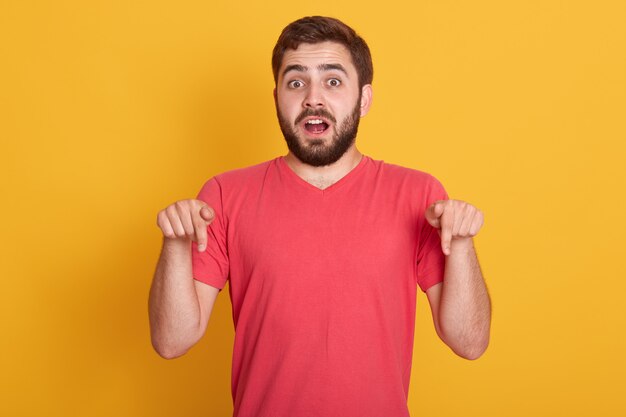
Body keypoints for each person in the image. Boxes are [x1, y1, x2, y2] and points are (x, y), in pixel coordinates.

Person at [149, 16, 491, 417]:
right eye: (296, 82)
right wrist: (174, 243)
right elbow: (172, 341)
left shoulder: (419, 196)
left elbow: (469, 342)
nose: (313, 98)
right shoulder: (224, 195)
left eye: (333, 81)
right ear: (277, 96)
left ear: (363, 98)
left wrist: (463, 243)